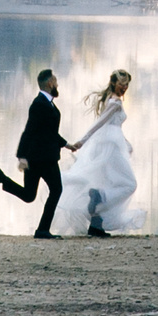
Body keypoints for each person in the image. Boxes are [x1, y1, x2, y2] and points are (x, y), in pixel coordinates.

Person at [0, 68, 72, 237]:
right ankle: (42, 230)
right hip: (44, 158)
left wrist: (67, 144)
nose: (58, 83)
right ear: (49, 83)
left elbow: (49, 132)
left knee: (29, 195)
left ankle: (0, 178)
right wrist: (21, 156)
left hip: (37, 157)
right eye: (55, 80)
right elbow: (29, 130)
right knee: (56, 189)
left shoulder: (47, 103)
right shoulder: (39, 104)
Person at [58, 70, 143, 237]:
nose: (124, 88)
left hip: (112, 145)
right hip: (110, 148)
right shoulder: (115, 103)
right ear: (113, 83)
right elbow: (99, 124)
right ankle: (100, 197)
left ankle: (96, 224)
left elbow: (113, 126)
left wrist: (127, 144)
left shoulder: (113, 100)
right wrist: (82, 141)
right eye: (121, 84)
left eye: (126, 85)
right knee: (129, 184)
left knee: (107, 182)